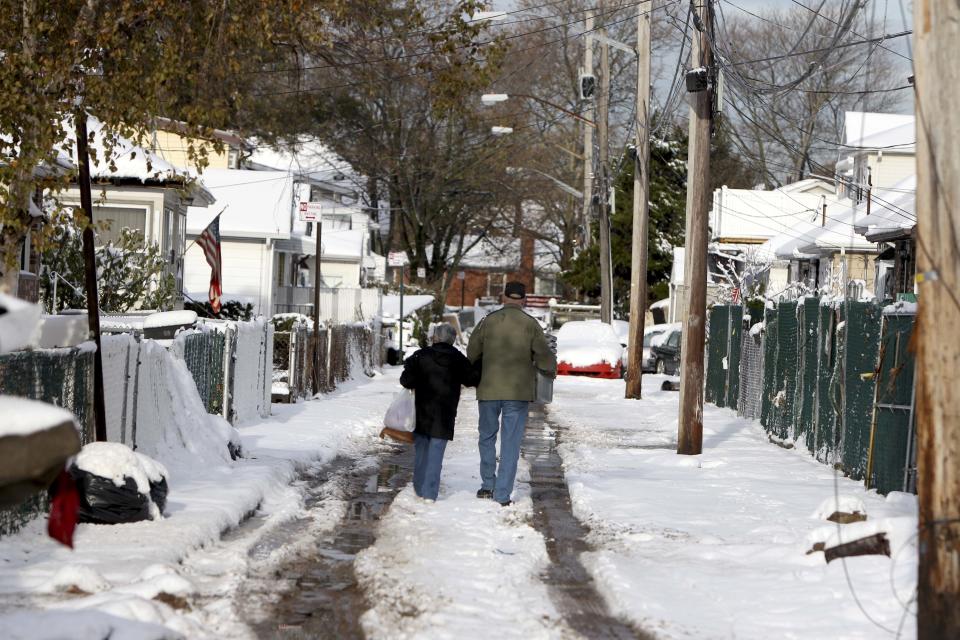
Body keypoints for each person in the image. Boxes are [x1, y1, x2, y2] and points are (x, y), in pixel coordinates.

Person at [467, 281, 557, 506]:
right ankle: (502, 494)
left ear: (503, 297)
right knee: (510, 443)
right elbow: (544, 356)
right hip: (518, 392)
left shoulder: (487, 321)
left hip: (488, 390)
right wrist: (549, 370)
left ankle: (488, 485)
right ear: (524, 299)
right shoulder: (531, 324)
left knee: (486, 438)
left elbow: (471, 352)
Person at [400, 323, 479, 502]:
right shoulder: (458, 359)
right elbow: (472, 379)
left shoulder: (420, 356)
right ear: (452, 339)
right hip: (445, 414)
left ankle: (419, 489)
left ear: (435, 337)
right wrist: (479, 362)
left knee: (421, 452)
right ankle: (430, 493)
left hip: (422, 412)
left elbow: (406, 380)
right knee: (436, 453)